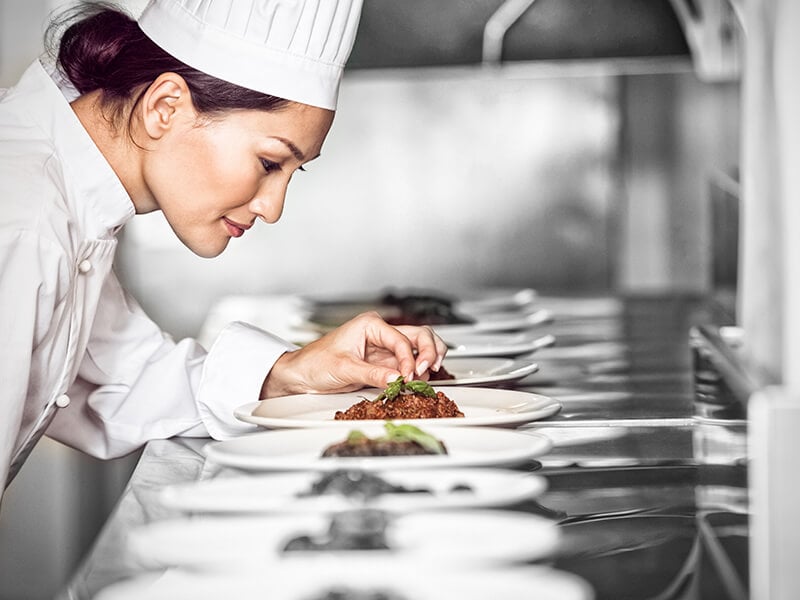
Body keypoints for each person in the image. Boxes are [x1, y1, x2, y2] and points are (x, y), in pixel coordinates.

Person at [0, 0, 447, 500]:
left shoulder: (67, 191)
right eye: (269, 161)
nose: (274, 208)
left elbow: (119, 382)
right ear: (165, 107)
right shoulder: (22, 215)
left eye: (292, 172)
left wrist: (287, 373)